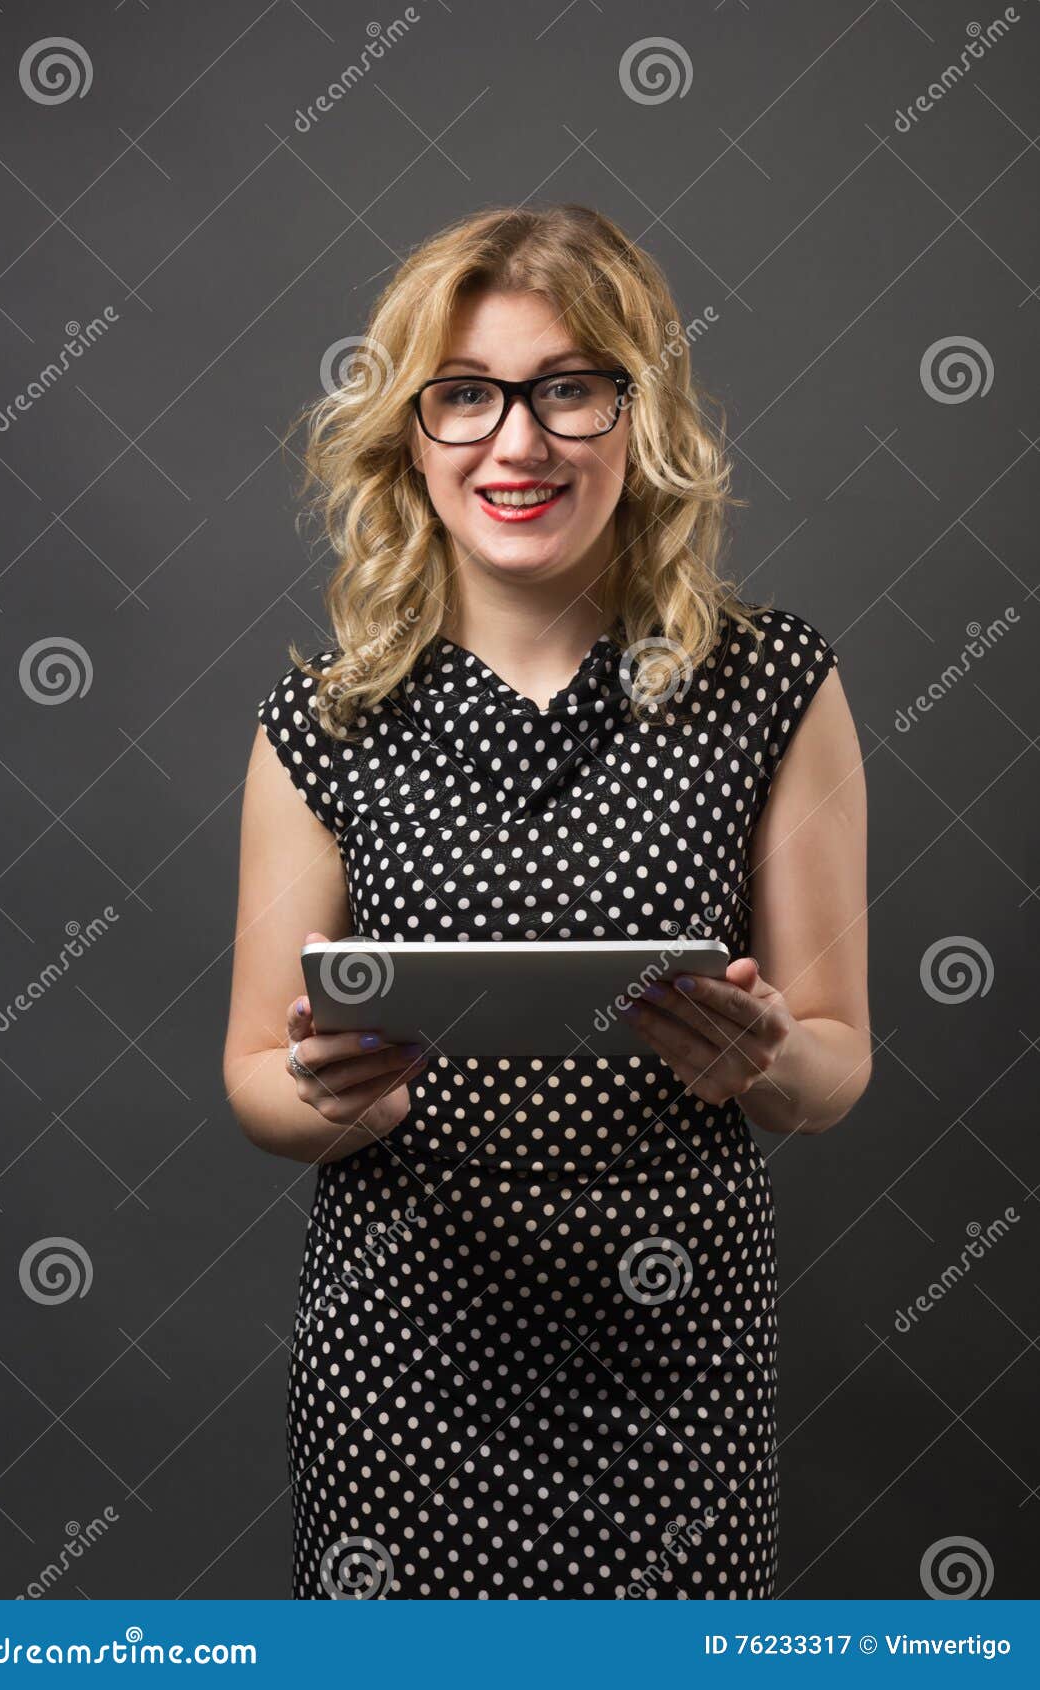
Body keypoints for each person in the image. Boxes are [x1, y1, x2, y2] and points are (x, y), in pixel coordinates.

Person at [223, 203, 870, 1599]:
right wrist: (339, 1090)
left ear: (640, 418)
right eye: (465, 395)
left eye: (568, 389)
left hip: (674, 1367)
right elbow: (253, 1080)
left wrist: (768, 1058)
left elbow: (834, 1062)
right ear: (412, 430)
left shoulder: (775, 685)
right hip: (400, 1375)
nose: (517, 442)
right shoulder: (320, 721)